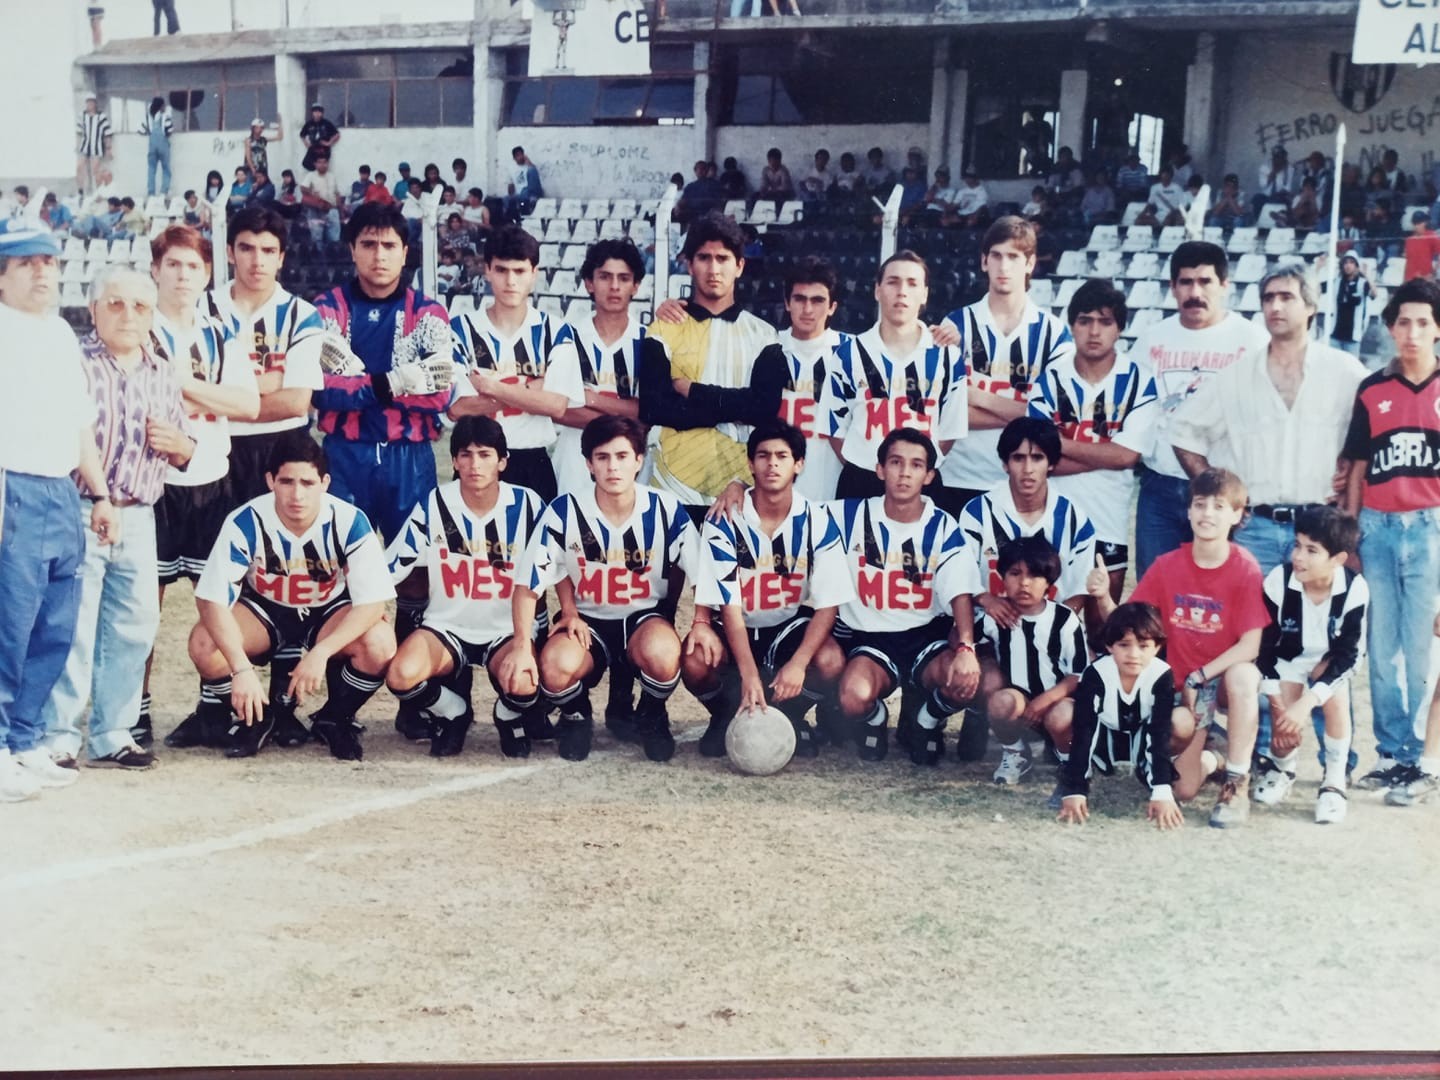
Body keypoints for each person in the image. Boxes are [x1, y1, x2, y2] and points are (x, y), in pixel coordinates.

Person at [39, 267, 196, 771]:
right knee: (75, 626)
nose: (129, 315)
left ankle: (113, 731)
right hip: (80, 507)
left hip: (140, 512)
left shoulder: (163, 372)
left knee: (135, 625)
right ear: (93, 310)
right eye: (116, 304)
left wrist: (180, 444)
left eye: (140, 306)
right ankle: (59, 734)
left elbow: (185, 448)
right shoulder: (73, 364)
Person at [186, 435, 396, 760]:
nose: (297, 495)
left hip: (325, 610)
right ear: (270, 480)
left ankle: (334, 718)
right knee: (203, 643)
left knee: (380, 643)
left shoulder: (349, 520)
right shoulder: (246, 520)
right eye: (286, 482)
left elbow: (372, 603)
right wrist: (241, 669)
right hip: (265, 610)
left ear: (324, 483)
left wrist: (322, 652)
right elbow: (211, 599)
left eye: (307, 483)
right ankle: (259, 718)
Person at [0, 222, 117, 800]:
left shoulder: (60, 335)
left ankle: (25, 739)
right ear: (2, 276)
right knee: (9, 626)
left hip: (59, 491)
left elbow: (79, 425)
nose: (42, 272)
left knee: (53, 627)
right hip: (11, 487)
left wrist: (99, 494)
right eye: (26, 263)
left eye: (48, 262)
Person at [507, 415, 699, 763]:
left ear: (639, 460)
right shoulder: (564, 510)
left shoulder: (666, 508)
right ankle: (576, 715)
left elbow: (705, 576)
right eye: (603, 457)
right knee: (554, 665)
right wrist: (523, 645)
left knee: (663, 653)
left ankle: (652, 712)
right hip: (587, 620)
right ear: (589, 464)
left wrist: (701, 623)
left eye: (622, 456)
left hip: (643, 618)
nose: (613, 467)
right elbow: (527, 585)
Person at [1090, 468, 1270, 829]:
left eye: (1219, 506)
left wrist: (1200, 675)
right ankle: (1215, 757)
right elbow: (1130, 625)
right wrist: (1103, 597)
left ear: (1237, 515)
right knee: (1182, 789)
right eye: (1200, 504)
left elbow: (1251, 645)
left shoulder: (1245, 568)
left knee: (1244, 675)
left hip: (1217, 681)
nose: (1207, 514)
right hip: (1181, 689)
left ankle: (1236, 782)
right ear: (1188, 511)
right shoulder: (1168, 565)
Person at [142, 226, 261, 750]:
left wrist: (182, 385)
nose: (183, 275)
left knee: (216, 604)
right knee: (143, 611)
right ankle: (135, 710)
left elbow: (249, 405)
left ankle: (213, 710)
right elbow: (143, 404)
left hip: (211, 481)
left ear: (208, 274)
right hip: (152, 487)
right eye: (172, 264)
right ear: (155, 270)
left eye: (193, 266)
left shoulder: (219, 335)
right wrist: (212, 397)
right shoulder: (140, 329)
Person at [1170, 262, 1366, 576]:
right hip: (1255, 531)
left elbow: (1376, 433)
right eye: (1268, 298)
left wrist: (1352, 473)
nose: (1275, 306)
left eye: (1286, 297)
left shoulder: (1345, 371)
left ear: (1311, 306)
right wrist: (1221, 495)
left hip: (1321, 529)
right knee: (1253, 610)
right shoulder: (1236, 376)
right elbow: (1182, 431)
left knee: (1315, 610)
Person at [683, 420, 851, 758]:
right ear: (750, 464)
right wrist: (749, 674)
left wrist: (799, 663)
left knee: (830, 660)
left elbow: (828, 605)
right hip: (737, 625)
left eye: (782, 456)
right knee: (695, 658)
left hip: (785, 624)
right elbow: (729, 606)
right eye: (763, 456)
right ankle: (724, 715)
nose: (772, 464)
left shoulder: (817, 520)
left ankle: (789, 715)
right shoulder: (723, 519)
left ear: (798, 464)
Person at [384, 416, 548, 757]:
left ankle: (507, 716)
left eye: (485, 454)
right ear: (455, 461)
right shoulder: (434, 503)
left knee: (524, 682)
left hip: (506, 629)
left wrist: (560, 620)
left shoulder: (528, 504)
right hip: (447, 626)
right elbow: (392, 566)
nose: (475, 464)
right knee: (400, 675)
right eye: (466, 455)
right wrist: (368, 608)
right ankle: (454, 712)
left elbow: (554, 568)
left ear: (502, 461)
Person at [828, 428, 981, 764]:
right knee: (852, 697)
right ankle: (875, 718)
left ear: (929, 476)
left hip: (926, 636)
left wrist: (966, 647)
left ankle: (928, 718)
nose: (905, 473)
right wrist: (738, 487)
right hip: (871, 638)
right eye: (896, 462)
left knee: (966, 679)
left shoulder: (943, 526)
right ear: (880, 469)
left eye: (916, 465)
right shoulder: (848, 515)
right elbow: (788, 510)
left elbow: (960, 592)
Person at [1341, 278, 1440, 792]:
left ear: (1438, 329)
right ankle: (1390, 751)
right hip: (1378, 527)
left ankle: (1424, 756)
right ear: (1390, 327)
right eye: (1404, 322)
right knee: (1381, 649)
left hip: (1431, 527)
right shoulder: (1373, 388)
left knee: (1423, 648)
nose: (1412, 333)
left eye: (1423, 323)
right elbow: (1357, 467)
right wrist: (1350, 533)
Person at [312, 202, 456, 543]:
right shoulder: (326, 309)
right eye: (368, 244)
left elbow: (439, 395)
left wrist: (358, 386)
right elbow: (321, 391)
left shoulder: (428, 313)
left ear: (404, 253)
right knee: (339, 558)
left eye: (389, 245)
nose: (379, 255)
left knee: (415, 560)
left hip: (408, 455)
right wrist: (397, 381)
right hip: (345, 454)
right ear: (352, 249)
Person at [1131, 241, 1267, 575]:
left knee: (1218, 589)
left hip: (1225, 488)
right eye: (1186, 282)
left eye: (1205, 281)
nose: (1195, 292)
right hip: (1162, 487)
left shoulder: (1252, 340)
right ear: (1172, 287)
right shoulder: (1151, 340)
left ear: (1224, 285)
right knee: (1154, 589)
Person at [638, 212, 784, 519]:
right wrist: (736, 407)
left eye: (723, 258)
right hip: (670, 483)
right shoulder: (663, 329)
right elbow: (654, 408)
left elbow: (765, 408)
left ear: (739, 265)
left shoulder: (763, 335)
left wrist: (693, 392)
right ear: (689, 265)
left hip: (737, 487)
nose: (714, 269)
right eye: (704, 258)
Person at [1028, 278, 1158, 619]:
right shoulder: (1050, 380)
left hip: (1108, 521)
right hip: (1053, 519)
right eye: (1085, 321)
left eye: (1105, 321)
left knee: (1104, 628)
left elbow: (1128, 456)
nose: (1094, 331)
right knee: (1050, 622)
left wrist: (1059, 445)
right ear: (1072, 325)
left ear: (1120, 329)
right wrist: (1108, 454)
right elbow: (1037, 461)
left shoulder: (1139, 381)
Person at [936, 216, 1074, 512]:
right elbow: (942, 412)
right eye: (996, 256)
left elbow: (1058, 418)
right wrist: (1028, 411)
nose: (1004, 266)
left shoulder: (1053, 333)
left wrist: (975, 396)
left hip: (1026, 483)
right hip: (959, 476)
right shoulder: (956, 325)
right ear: (984, 261)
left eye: (1013, 257)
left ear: (1030, 263)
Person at [449, 225, 584, 503]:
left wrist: (491, 387)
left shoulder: (556, 332)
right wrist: (532, 390)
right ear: (487, 270)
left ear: (534, 273)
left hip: (532, 463)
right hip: (476, 461)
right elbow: (458, 408)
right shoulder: (459, 330)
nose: (510, 281)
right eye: (501, 270)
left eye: (520, 271)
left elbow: (556, 406)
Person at [1254, 506, 1368, 823]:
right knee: (1283, 730)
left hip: (1329, 662)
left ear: (1338, 559)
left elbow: (1350, 656)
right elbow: (1264, 648)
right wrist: (1279, 705)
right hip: (1288, 660)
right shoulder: (1278, 581)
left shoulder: (1355, 588)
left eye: (1311, 550)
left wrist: (1307, 702)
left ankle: (1334, 780)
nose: (1298, 557)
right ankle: (1283, 769)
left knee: (1335, 696)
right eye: (1297, 545)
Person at [825, 250, 967, 504]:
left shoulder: (947, 357)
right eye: (893, 282)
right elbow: (834, 427)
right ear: (877, 290)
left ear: (924, 294)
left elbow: (949, 430)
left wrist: (916, 467)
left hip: (921, 484)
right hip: (862, 479)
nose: (902, 291)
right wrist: (866, 465)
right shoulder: (849, 353)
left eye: (912, 283)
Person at [1055, 602, 1207, 831]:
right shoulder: (1096, 673)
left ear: (1157, 647)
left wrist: (1162, 789)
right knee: (1063, 713)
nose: (1133, 654)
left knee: (1182, 721)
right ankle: (1073, 773)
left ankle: (1161, 769)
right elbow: (1085, 730)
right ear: (1109, 645)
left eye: (1143, 646)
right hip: (1104, 741)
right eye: (1124, 645)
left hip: (1142, 739)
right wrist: (1075, 789)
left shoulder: (1161, 674)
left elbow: (1159, 731)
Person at [211, 206, 325, 504]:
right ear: (230, 252)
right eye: (246, 248)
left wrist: (215, 399)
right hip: (214, 446)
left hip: (283, 446)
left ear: (281, 257)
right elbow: (183, 394)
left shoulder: (302, 315)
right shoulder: (201, 310)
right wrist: (270, 382)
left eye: (268, 250)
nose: (257, 261)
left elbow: (296, 402)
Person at [958, 417, 1097, 631]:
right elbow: (960, 578)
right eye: (1018, 458)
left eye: (1038, 458)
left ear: (1051, 463)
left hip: (1051, 629)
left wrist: (1050, 626)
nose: (1028, 469)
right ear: (1005, 464)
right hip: (989, 626)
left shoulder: (1075, 520)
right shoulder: (977, 514)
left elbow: (1079, 591)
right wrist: (987, 599)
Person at [975, 536, 1087, 788]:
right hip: (1020, 703)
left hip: (1056, 700)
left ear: (1049, 581)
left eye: (1035, 575)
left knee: (1062, 716)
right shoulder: (996, 616)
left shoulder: (1063, 618)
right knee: (1001, 702)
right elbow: (963, 637)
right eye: (1015, 573)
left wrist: (1045, 700)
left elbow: (1078, 674)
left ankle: (1068, 761)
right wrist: (985, 659)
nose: (1024, 582)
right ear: (1002, 577)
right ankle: (1015, 752)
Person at [552, 239, 646, 496]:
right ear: (589, 283)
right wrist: (624, 415)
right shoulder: (566, 337)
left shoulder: (649, 341)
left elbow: (648, 414)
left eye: (624, 278)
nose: (614, 286)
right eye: (605, 277)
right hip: (574, 460)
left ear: (636, 286)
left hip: (632, 464)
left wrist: (588, 398)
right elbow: (559, 410)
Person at [1331, 252, 1376, 356]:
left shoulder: (1362, 283)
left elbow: (1374, 294)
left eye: (1351, 262)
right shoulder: (1337, 282)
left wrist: (1367, 276)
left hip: (1353, 337)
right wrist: (1318, 268)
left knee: (1351, 365)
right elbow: (1317, 287)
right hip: (1335, 334)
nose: (1348, 265)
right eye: (1345, 262)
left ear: (1356, 266)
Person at [75, 93, 112, 197]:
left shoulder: (101, 116)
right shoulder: (82, 115)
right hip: (85, 146)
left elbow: (107, 133)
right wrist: (77, 146)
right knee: (79, 167)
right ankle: (81, 192)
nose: (89, 104)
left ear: (95, 104)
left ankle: (98, 192)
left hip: (97, 147)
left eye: (91, 102)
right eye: (88, 102)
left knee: (96, 170)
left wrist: (108, 148)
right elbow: (79, 132)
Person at [300, 156, 343, 244]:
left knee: (334, 239)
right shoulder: (311, 175)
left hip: (332, 210)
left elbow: (337, 193)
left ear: (327, 164)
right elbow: (303, 188)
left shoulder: (332, 176)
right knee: (317, 239)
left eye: (325, 162)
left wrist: (340, 210)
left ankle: (331, 252)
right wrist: (312, 193)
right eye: (319, 162)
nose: (322, 165)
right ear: (315, 164)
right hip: (316, 211)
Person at [139, 96, 173, 199]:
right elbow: (169, 130)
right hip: (163, 145)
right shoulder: (165, 116)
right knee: (166, 169)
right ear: (161, 106)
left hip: (152, 145)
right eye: (164, 105)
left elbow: (142, 130)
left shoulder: (148, 116)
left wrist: (149, 133)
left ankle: (151, 193)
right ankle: (164, 191)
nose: (165, 107)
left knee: (151, 169)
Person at [1253, 146, 1295, 220]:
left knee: (1285, 201)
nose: (1279, 160)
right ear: (1273, 158)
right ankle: (1257, 220)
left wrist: (1283, 192)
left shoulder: (1289, 169)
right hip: (1266, 196)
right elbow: (1262, 185)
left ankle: (1280, 221)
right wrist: (1273, 173)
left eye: (1282, 157)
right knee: (1257, 198)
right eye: (1277, 157)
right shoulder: (1264, 167)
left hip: (1280, 196)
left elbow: (1288, 187)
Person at [505, 147, 544, 219]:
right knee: (505, 199)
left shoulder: (529, 166)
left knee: (532, 170)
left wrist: (528, 161)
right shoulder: (511, 169)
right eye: (518, 155)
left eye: (521, 154)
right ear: (514, 158)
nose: (520, 157)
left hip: (533, 193)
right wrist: (511, 198)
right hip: (521, 195)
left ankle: (533, 199)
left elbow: (535, 179)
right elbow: (510, 186)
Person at [299, 103, 340, 171]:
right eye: (315, 111)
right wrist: (306, 144)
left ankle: (321, 175)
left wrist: (329, 143)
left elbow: (337, 134)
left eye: (319, 112)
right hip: (313, 148)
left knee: (322, 166)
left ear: (322, 113)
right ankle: (316, 175)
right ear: (312, 113)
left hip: (323, 149)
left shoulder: (326, 123)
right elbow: (302, 135)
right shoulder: (309, 124)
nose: (317, 114)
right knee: (306, 163)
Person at [1403, 211, 1440, 282]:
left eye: (1419, 223)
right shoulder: (1409, 240)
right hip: (1410, 278)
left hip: (1425, 278)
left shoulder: (1431, 236)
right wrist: (1404, 280)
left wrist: (1434, 272)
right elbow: (1407, 262)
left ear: (1425, 222)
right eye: (1415, 223)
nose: (1416, 226)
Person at [245, 118, 282, 182]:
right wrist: (252, 169)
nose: (260, 130)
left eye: (261, 128)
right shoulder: (249, 140)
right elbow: (248, 157)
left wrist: (279, 125)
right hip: (252, 168)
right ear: (253, 128)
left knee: (265, 184)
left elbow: (279, 137)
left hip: (262, 167)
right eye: (257, 128)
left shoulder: (263, 140)